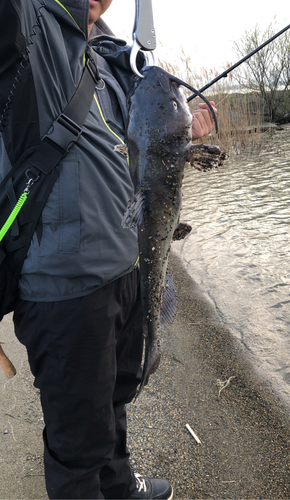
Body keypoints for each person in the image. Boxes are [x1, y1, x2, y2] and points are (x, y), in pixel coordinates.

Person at [0, 1, 216, 498]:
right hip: (65, 289)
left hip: (129, 270)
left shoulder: (111, 58)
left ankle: (120, 487)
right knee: (78, 445)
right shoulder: (29, 30)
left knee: (114, 402)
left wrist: (182, 133)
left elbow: (132, 150)